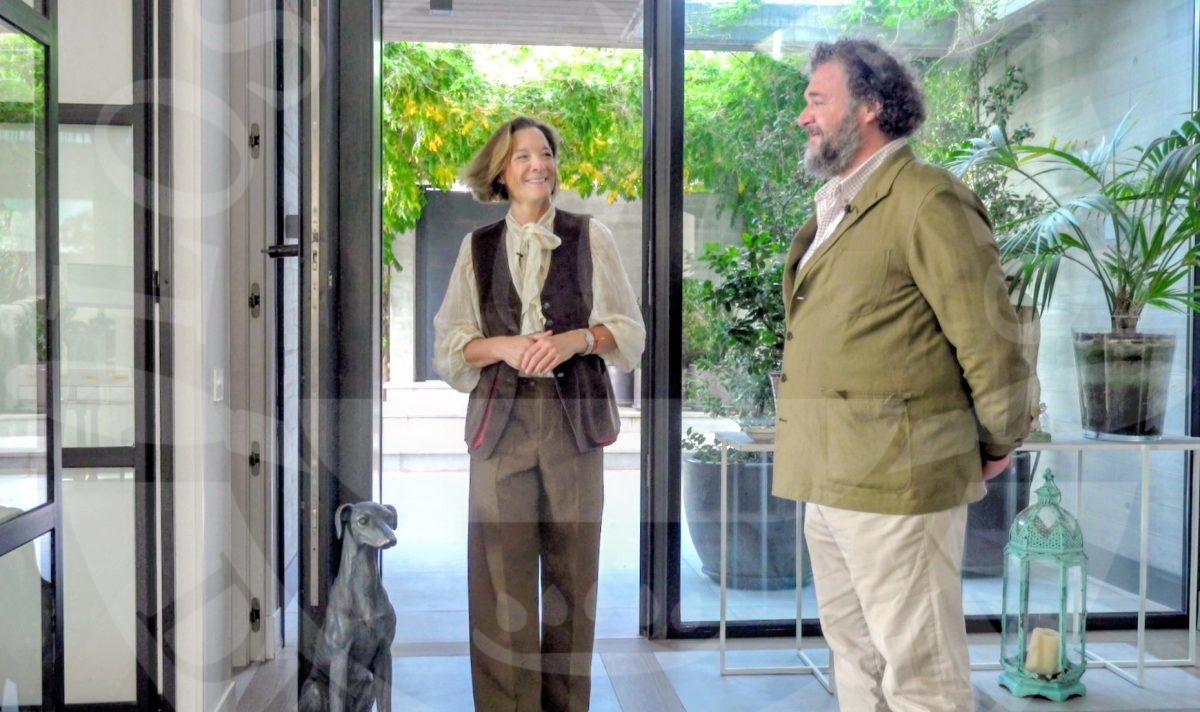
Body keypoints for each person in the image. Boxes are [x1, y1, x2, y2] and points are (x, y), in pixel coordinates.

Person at [774, 39, 1031, 710]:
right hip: (830, 474)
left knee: (921, 674)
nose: (804, 116)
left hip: (898, 480)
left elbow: (990, 339)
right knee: (855, 660)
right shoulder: (839, 201)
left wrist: (999, 439)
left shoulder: (927, 199)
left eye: (817, 99)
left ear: (869, 107)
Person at [433, 116, 644, 712]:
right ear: (501, 171)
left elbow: (629, 331)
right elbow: (452, 346)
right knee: (500, 579)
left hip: (572, 422)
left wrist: (578, 339)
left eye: (545, 153)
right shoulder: (476, 248)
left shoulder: (591, 237)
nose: (537, 165)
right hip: (500, 424)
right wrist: (502, 346)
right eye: (522, 155)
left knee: (573, 575)